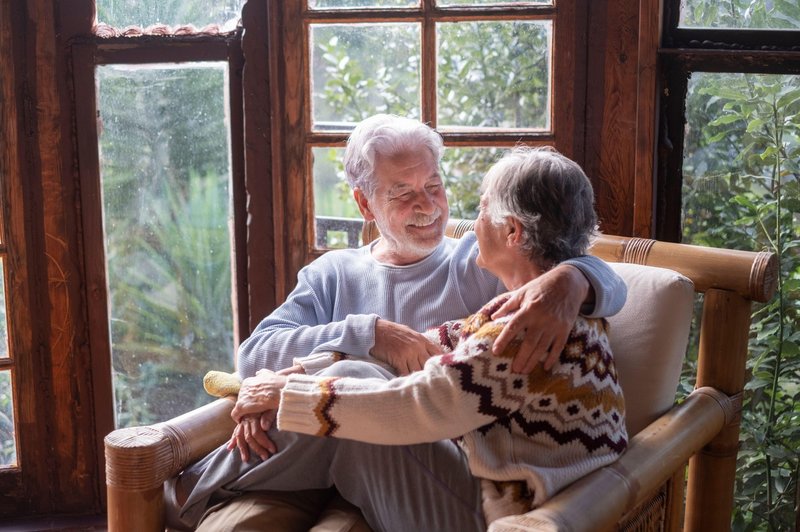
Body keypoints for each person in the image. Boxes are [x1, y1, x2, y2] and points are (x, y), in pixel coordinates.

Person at [172, 114, 627, 529]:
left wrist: (571, 281)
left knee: (353, 381)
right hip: (376, 454)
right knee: (353, 372)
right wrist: (368, 335)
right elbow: (255, 354)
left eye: (434, 186)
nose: (429, 207)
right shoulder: (333, 273)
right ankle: (207, 486)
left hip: (459, 476)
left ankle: (190, 490)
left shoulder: (495, 276)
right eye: (403, 194)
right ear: (365, 205)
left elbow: (424, 400)